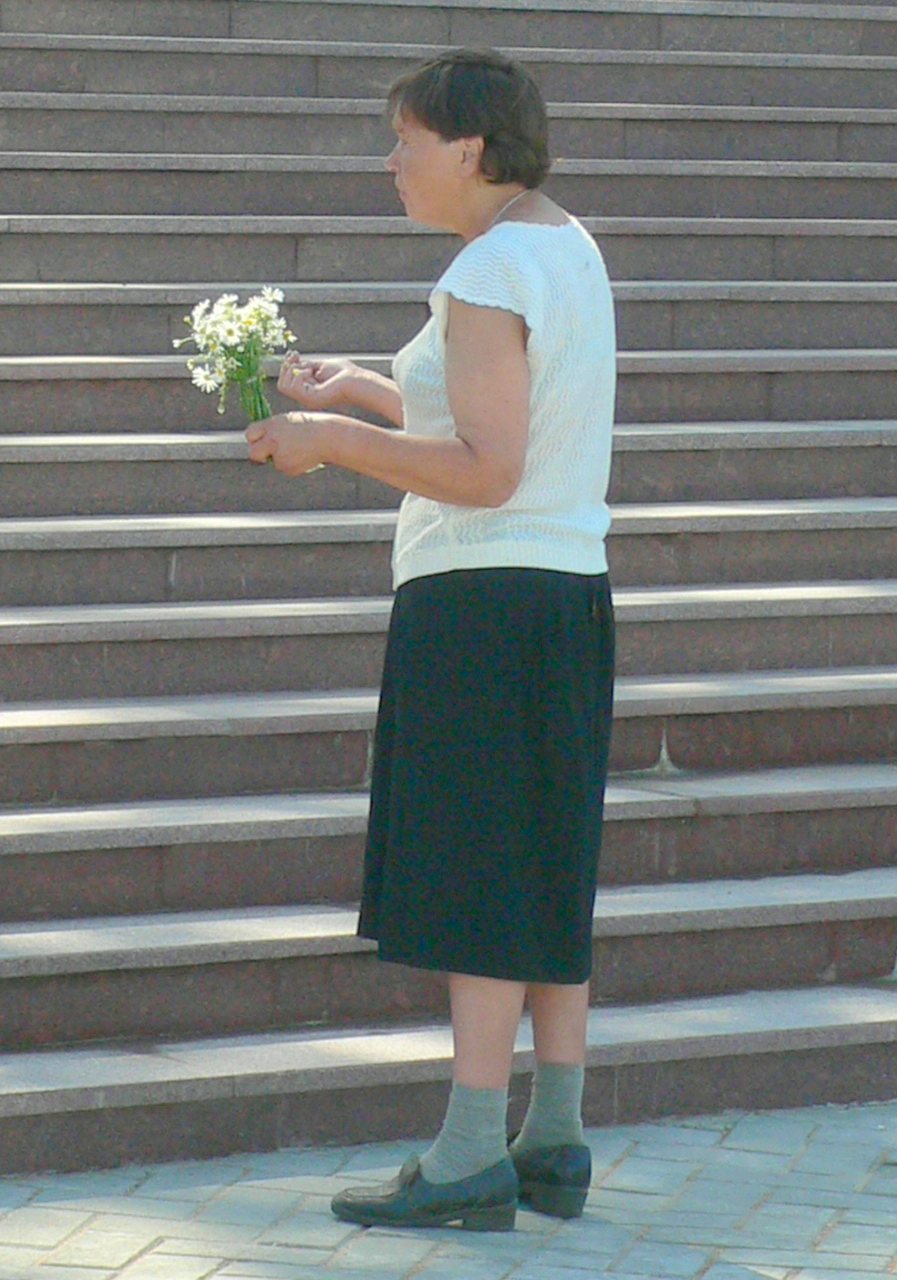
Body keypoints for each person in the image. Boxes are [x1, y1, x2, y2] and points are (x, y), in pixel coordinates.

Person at [246, 47, 616, 1232]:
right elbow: (499, 421)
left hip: (484, 603)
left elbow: (486, 469)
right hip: (562, 595)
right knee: (545, 861)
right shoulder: (561, 243)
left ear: (470, 146)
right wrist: (359, 390)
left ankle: (468, 1156)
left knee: (485, 874)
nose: (391, 162)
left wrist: (327, 444)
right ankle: (551, 1136)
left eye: (405, 140)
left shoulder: (488, 269)